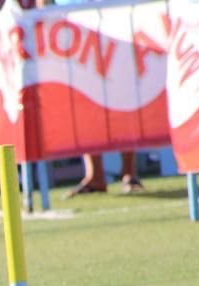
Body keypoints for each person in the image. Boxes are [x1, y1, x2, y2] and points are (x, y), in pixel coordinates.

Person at [37, 0, 144, 196]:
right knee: (83, 103)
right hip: (72, 26)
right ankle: (95, 175)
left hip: (113, 22)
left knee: (122, 97)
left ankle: (129, 171)